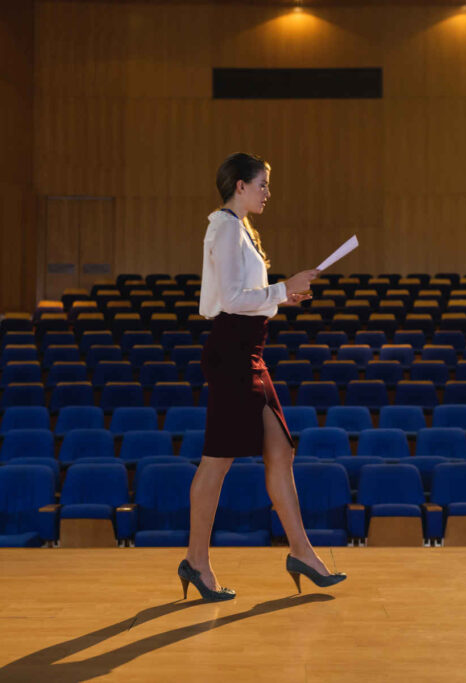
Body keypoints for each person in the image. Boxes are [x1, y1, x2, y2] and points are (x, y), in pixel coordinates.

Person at [177, 152, 347, 601]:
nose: (268, 192)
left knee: (281, 451)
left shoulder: (242, 229)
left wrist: (282, 298)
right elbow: (232, 299)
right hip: (232, 353)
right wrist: (283, 287)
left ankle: (302, 553)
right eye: (263, 184)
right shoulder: (225, 227)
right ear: (240, 186)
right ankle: (196, 561)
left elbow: (247, 297)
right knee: (217, 459)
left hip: (249, 350)